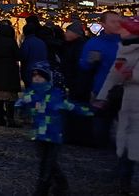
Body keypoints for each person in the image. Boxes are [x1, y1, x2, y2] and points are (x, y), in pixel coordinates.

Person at [16, 61, 92, 196]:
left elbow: (71, 106)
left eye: (41, 76)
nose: (37, 79)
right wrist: (20, 107)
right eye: (34, 76)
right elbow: (22, 102)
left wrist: (89, 111)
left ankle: (42, 188)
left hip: (54, 135)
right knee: (47, 161)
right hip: (39, 134)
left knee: (47, 162)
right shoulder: (32, 93)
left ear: (48, 78)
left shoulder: (56, 95)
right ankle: (61, 183)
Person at [95, 16, 139, 195]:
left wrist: (132, 75)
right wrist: (102, 97)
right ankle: (124, 182)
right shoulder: (123, 51)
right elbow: (113, 76)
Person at [79, 11, 123, 148]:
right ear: (103, 24)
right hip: (102, 89)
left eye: (118, 21)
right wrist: (91, 60)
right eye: (113, 21)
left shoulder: (126, 41)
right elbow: (84, 66)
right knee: (102, 124)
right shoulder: (95, 43)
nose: (117, 24)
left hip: (126, 88)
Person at [0, 23, 21, 128]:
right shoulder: (11, 42)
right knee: (10, 97)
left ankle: (0, 118)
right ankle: (10, 119)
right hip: (10, 71)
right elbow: (18, 55)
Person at [19, 19, 48, 89]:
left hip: (29, 70)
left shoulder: (26, 42)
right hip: (41, 69)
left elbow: (23, 56)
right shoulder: (41, 42)